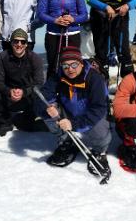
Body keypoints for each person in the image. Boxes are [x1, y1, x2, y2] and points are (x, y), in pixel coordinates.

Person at [34, 46, 111, 176]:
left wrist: (73, 124)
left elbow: (99, 108)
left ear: (81, 63)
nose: (70, 69)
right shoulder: (59, 76)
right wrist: (47, 107)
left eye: (74, 64)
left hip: (89, 115)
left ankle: (99, 151)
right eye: (65, 66)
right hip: (68, 113)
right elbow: (43, 96)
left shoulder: (95, 79)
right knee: (47, 111)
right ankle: (66, 142)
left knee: (99, 127)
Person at [36, 0, 89, 79]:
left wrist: (73, 19)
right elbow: (41, 13)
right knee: (53, 65)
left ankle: (71, 93)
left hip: (72, 34)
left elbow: (84, 15)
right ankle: (51, 93)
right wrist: (55, 20)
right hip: (52, 34)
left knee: (72, 65)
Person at [0, 28, 46, 136]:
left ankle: (27, 119)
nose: (19, 44)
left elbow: (39, 82)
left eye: (23, 42)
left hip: (27, 95)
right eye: (16, 41)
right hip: (8, 96)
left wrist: (24, 92)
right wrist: (9, 91)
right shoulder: (3, 57)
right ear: (11, 43)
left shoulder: (35, 58)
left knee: (42, 93)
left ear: (26, 44)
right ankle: (3, 122)